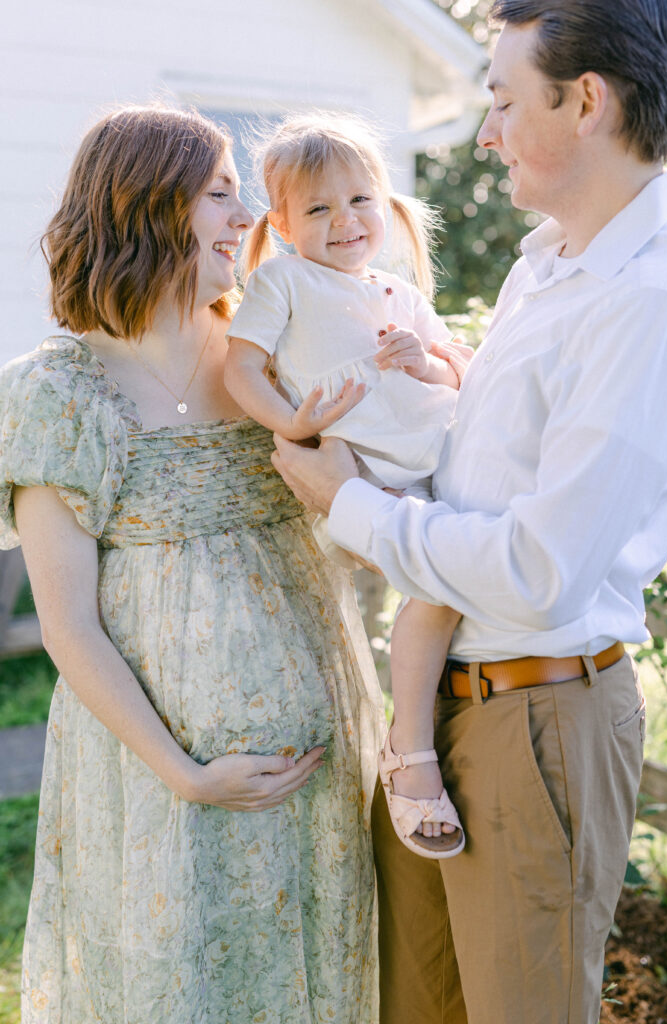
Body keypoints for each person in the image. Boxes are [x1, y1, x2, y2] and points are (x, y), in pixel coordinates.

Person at [268, 1, 667, 1021]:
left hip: (533, 717)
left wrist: (352, 504)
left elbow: (542, 565)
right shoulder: (539, 267)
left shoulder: (647, 299)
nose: (483, 130)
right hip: (439, 706)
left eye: (499, 99)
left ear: (584, 100)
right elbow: (473, 470)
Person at [0, 105, 386, 1024]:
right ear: (145, 205)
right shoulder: (59, 390)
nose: (246, 217)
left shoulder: (274, 359)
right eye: (220, 194)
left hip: (318, 763)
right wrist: (185, 771)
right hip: (152, 779)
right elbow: (69, 624)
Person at [225, 113, 473, 858]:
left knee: (452, 590)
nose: (345, 221)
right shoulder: (284, 280)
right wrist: (293, 423)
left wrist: (422, 361)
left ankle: (417, 738)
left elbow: (456, 372)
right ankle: (410, 753)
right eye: (319, 208)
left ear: (385, 202)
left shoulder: (398, 292)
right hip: (362, 477)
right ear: (282, 223)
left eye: (360, 200)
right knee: (436, 593)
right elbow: (240, 367)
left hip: (440, 467)